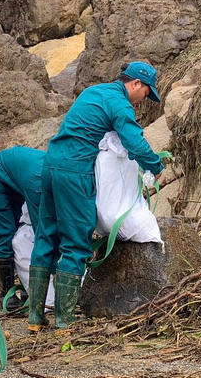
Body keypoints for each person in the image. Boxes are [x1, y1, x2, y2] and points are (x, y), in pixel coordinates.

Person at [27, 61, 165, 331]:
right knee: (76, 241)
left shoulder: (93, 92)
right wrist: (156, 166)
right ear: (135, 84)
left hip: (51, 164)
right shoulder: (119, 102)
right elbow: (133, 141)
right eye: (146, 93)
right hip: (75, 171)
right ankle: (65, 320)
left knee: (46, 236)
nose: (142, 101)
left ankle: (34, 317)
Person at [0, 146, 45, 312]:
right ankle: (5, 295)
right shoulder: (38, 180)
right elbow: (41, 229)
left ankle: (27, 289)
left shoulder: (54, 172)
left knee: (22, 231)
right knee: (7, 232)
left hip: (16, 181)